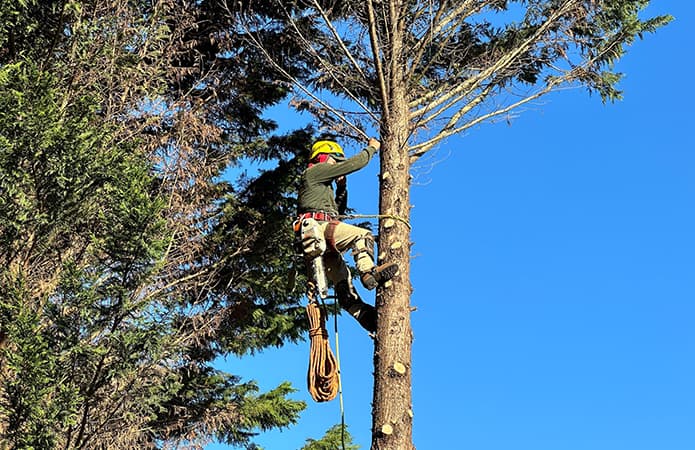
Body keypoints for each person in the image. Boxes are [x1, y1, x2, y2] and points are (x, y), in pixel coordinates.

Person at [296, 137, 398, 333]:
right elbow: (354, 164)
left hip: (320, 234)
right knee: (363, 235)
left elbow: (337, 213)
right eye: (335, 160)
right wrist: (372, 148)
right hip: (319, 227)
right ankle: (368, 271)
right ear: (325, 157)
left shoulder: (321, 188)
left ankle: (367, 318)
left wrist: (342, 188)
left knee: (344, 282)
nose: (336, 165)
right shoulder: (314, 172)